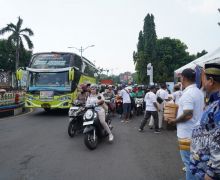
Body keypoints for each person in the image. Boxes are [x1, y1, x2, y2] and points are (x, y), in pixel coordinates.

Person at [167, 68, 204, 180]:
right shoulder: (198, 92)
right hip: (196, 132)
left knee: (189, 163)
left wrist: (174, 121)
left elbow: (188, 114)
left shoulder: (188, 94)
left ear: (183, 78)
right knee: (194, 162)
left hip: (186, 134)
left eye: (181, 77)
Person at [190, 63, 220, 180]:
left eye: (203, 80)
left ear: (211, 81)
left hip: (210, 173)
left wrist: (212, 173)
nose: (202, 85)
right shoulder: (213, 101)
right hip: (203, 168)